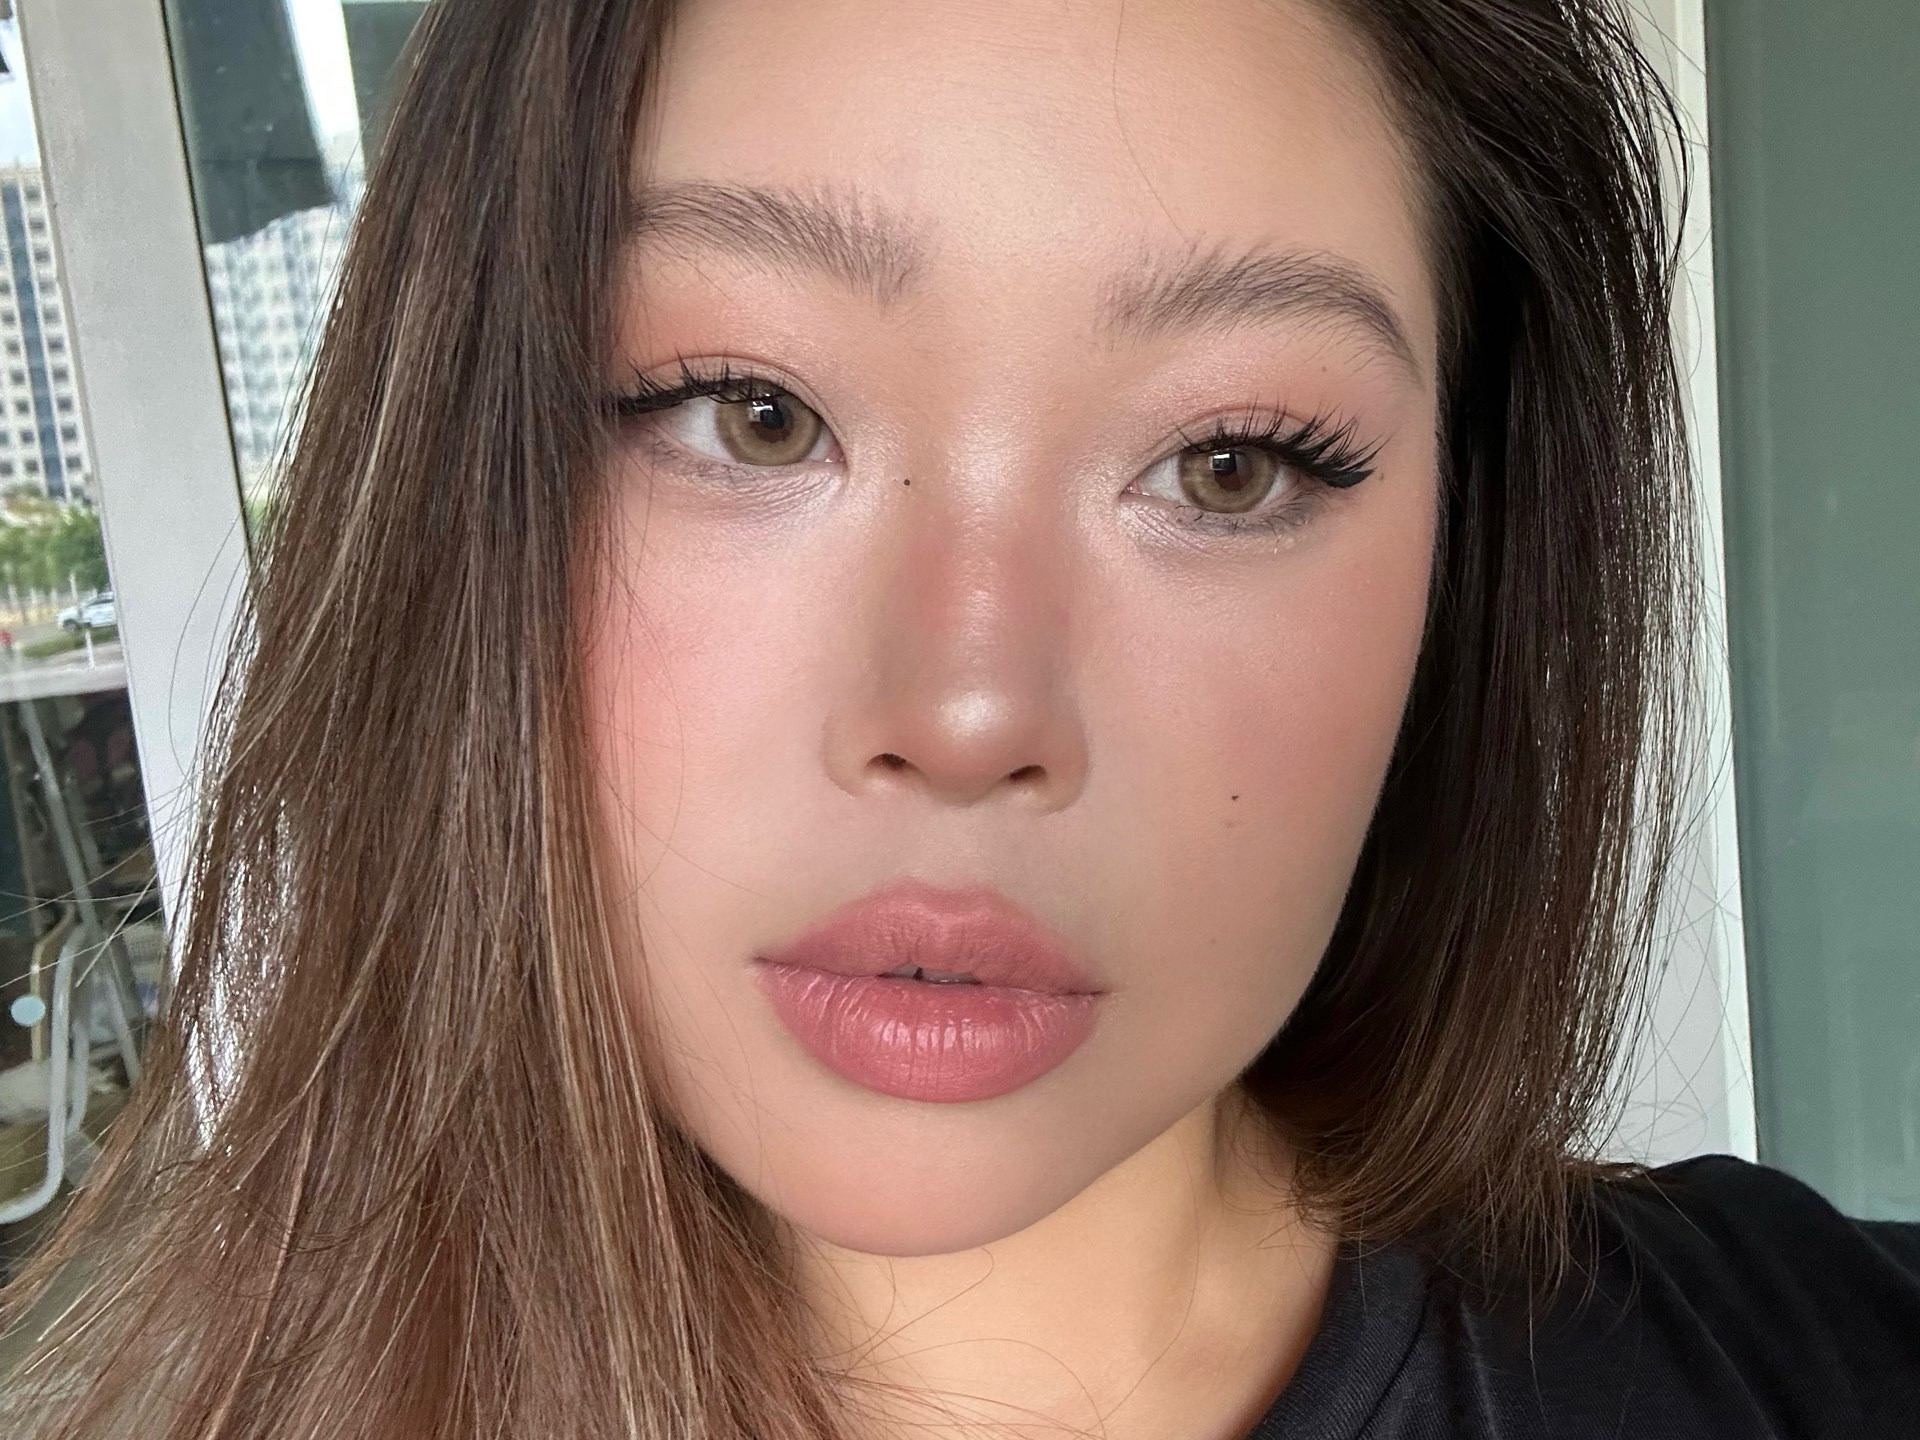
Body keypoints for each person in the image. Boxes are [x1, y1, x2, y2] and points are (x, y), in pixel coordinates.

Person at [3, 1, 1916, 1436]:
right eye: (751, 413)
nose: (970, 709)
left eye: (1233, 463)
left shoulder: (1803, 1364)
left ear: (1467, 565)